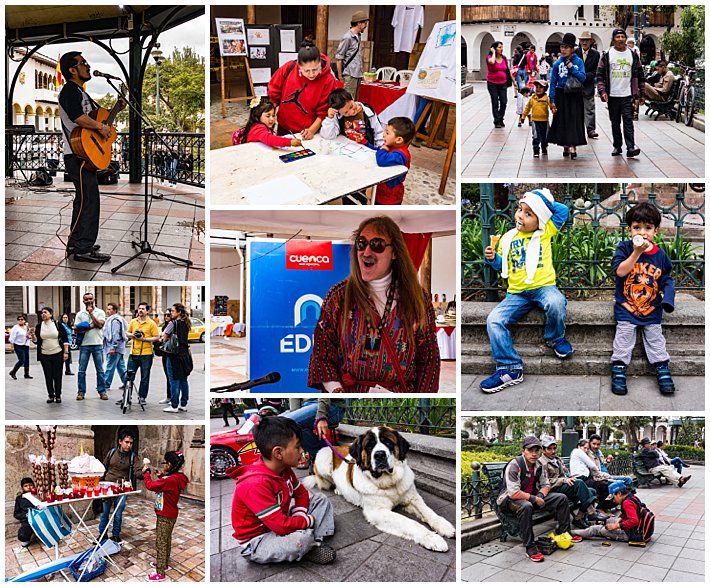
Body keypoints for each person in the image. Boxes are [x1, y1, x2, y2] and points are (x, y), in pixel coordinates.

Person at [308, 215, 440, 392]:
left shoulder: (418, 298)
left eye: (377, 245)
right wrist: (337, 391)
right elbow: (322, 351)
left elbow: (429, 358)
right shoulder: (339, 296)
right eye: (361, 243)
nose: (367, 252)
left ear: (394, 253)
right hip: (350, 395)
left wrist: (421, 402)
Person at [481, 189, 573, 393]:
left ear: (540, 219)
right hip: (517, 293)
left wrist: (538, 200)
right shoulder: (507, 238)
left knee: (556, 302)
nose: (520, 216)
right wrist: (492, 259)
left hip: (543, 287)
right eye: (520, 210)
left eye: (529, 213)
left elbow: (563, 210)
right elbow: (501, 267)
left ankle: (555, 337)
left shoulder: (545, 230)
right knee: (494, 320)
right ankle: (510, 367)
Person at [230, 416, 336, 564]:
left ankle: (313, 542)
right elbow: (279, 525)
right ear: (278, 453)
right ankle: (308, 542)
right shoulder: (254, 484)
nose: (301, 451)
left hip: (279, 520)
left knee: (321, 499)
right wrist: (306, 520)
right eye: (297, 447)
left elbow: (300, 493)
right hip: (259, 540)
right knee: (300, 540)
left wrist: (299, 514)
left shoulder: (284, 469)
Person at [58, 52, 125, 263]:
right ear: (72, 70)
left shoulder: (81, 92)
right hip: (77, 154)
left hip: (85, 154)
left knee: (84, 201)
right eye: (83, 63)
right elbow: (78, 117)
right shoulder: (70, 90)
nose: (87, 66)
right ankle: (83, 249)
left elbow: (101, 120)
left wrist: (117, 109)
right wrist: (99, 127)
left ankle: (77, 243)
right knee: (89, 202)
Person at [610, 203, 675, 395]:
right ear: (629, 229)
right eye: (637, 227)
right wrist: (637, 252)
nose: (643, 233)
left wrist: (668, 300)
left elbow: (667, 279)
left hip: (651, 309)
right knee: (623, 339)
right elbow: (621, 271)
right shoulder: (624, 248)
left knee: (656, 340)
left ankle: (662, 368)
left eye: (648, 228)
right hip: (627, 307)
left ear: (656, 230)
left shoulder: (660, 255)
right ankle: (619, 369)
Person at [496, 436, 582, 563]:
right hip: (509, 501)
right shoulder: (515, 465)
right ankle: (530, 546)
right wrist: (535, 499)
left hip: (532, 497)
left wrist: (540, 496)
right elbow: (514, 493)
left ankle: (564, 532)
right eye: (530, 450)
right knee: (526, 506)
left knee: (561, 498)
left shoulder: (538, 465)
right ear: (523, 450)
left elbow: (546, 485)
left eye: (536, 451)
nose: (534, 454)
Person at [268, 40, 342, 140]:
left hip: (308, 130)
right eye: (307, 71)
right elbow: (274, 91)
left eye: (315, 69)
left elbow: (324, 111)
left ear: (320, 63)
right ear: (299, 66)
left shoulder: (328, 80)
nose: (311, 74)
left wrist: (311, 130)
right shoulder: (289, 67)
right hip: (284, 126)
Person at [539, 436, 608, 528]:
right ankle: (592, 512)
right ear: (543, 450)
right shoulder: (541, 462)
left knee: (592, 491)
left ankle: (578, 518)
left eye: (554, 448)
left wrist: (569, 476)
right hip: (554, 489)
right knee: (579, 483)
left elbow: (566, 472)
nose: (553, 451)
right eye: (549, 449)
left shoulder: (557, 459)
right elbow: (545, 482)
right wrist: (564, 480)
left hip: (565, 485)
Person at [596, 28, 645, 157]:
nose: (620, 39)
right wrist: (602, 91)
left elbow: (640, 75)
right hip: (612, 95)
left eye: (622, 36)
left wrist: (642, 94)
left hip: (628, 94)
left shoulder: (633, 55)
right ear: (613, 39)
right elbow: (600, 75)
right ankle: (617, 146)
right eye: (617, 37)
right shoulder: (606, 55)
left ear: (625, 38)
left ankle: (630, 147)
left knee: (628, 120)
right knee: (615, 121)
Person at [143, 451, 189, 582]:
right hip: (171, 513)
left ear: (169, 464)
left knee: (161, 542)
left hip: (164, 515)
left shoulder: (170, 480)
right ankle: (164, 563)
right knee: (167, 539)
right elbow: (167, 483)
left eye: (165, 462)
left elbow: (150, 485)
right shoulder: (178, 477)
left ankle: (160, 573)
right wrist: (161, 475)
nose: (163, 465)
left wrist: (146, 473)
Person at [572, 480, 655, 543]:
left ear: (619, 493)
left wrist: (616, 526)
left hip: (632, 534)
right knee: (608, 519)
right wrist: (619, 519)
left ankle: (571, 532)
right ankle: (588, 525)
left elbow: (634, 521)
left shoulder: (627, 503)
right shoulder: (632, 497)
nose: (614, 501)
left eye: (613, 497)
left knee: (596, 529)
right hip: (637, 530)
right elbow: (629, 513)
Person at [547, 33, 587, 159]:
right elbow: (553, 82)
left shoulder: (578, 61)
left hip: (575, 94)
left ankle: (573, 146)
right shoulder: (557, 63)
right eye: (562, 47)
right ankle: (565, 145)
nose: (563, 50)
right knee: (562, 121)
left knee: (574, 121)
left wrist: (572, 68)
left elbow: (583, 77)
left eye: (566, 47)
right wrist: (551, 99)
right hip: (561, 94)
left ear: (572, 49)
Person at [99, 429, 143, 543]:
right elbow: (103, 468)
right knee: (104, 513)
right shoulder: (111, 453)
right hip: (107, 487)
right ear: (120, 441)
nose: (129, 445)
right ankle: (102, 535)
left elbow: (137, 471)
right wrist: (98, 483)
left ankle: (116, 535)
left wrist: (144, 473)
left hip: (122, 489)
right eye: (126, 442)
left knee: (118, 513)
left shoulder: (133, 457)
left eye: (131, 443)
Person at [283, 399, 346, 463]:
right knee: (276, 423)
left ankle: (326, 456)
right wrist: (297, 414)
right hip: (306, 405)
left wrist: (321, 415)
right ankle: (324, 456)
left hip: (330, 405)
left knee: (286, 423)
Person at [74, 291, 107, 401]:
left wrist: (91, 314)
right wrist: (92, 325)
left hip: (97, 343)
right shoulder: (80, 314)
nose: (88, 301)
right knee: (81, 370)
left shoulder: (100, 312)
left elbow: (101, 325)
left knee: (100, 370)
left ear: (94, 300)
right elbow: (77, 328)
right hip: (84, 345)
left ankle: (102, 391)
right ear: (83, 301)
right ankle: (81, 392)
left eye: (90, 299)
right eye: (86, 299)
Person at [374, 117, 415, 205]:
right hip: (382, 190)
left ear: (399, 140)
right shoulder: (392, 146)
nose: (384, 134)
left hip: (389, 197)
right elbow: (376, 151)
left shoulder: (400, 155)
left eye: (387, 133)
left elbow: (382, 160)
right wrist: (364, 142)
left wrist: (383, 149)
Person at [161, 303, 193, 413]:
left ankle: (174, 405)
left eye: (173, 311)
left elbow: (164, 337)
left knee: (174, 380)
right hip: (184, 354)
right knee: (184, 380)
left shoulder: (172, 323)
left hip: (174, 355)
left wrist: (164, 338)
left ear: (179, 312)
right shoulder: (186, 323)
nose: (171, 313)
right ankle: (183, 404)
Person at [127, 302, 160, 406]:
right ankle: (127, 396)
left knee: (144, 377)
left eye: (142, 309)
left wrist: (144, 339)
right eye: (139, 308)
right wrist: (132, 335)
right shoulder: (133, 321)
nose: (140, 310)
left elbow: (156, 337)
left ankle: (142, 397)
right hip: (133, 353)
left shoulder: (152, 324)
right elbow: (127, 332)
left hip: (146, 354)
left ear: (147, 311)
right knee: (129, 376)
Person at [34, 307, 70, 403]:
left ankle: (58, 395)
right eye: (42, 313)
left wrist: (66, 352)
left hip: (57, 353)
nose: (43, 314)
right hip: (44, 355)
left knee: (57, 375)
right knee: (48, 376)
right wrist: (32, 336)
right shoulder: (39, 326)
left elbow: (65, 339)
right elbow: (36, 341)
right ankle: (51, 395)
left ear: (51, 314)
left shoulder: (57, 325)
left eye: (45, 312)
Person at [570, 439, 612, 509]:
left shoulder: (578, 453)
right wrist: (597, 469)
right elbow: (592, 465)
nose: (586, 450)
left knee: (605, 484)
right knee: (605, 485)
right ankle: (601, 508)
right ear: (579, 446)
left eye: (587, 449)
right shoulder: (578, 451)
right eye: (584, 448)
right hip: (581, 479)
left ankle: (600, 508)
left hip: (586, 479)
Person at [336, 11, 369, 99]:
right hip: (350, 75)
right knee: (348, 101)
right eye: (365, 23)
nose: (366, 25)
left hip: (357, 74)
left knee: (355, 101)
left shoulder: (358, 36)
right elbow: (339, 58)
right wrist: (340, 77)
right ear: (359, 23)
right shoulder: (347, 37)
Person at [575, 31, 600, 139]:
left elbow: (596, 71)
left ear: (591, 41)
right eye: (582, 40)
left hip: (588, 84)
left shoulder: (595, 54)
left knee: (590, 108)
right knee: (576, 108)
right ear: (579, 41)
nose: (584, 42)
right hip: (575, 86)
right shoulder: (575, 53)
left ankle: (591, 129)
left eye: (586, 40)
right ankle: (577, 128)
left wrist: (584, 75)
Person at [486, 41, 516, 128]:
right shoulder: (489, 57)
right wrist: (493, 53)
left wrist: (514, 82)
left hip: (503, 83)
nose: (501, 49)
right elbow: (492, 62)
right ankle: (497, 121)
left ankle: (501, 118)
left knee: (504, 102)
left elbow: (508, 70)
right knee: (495, 102)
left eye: (502, 47)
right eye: (499, 47)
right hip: (492, 83)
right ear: (494, 48)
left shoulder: (504, 58)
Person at [520, 80, 551, 158]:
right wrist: (523, 116)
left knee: (545, 136)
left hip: (544, 121)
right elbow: (527, 108)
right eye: (536, 87)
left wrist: (554, 110)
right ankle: (536, 150)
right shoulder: (533, 98)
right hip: (535, 121)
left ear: (545, 89)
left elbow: (551, 106)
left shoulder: (546, 98)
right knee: (536, 136)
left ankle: (544, 148)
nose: (538, 89)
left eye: (541, 87)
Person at [103, 303, 128, 392]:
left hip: (114, 348)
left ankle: (105, 384)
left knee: (110, 366)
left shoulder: (114, 321)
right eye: (108, 309)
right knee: (120, 366)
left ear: (115, 310)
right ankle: (126, 383)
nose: (108, 311)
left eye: (110, 309)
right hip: (119, 347)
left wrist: (113, 347)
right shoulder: (114, 319)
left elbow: (115, 334)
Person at [14, 477, 38, 547]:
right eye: (26, 486)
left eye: (30, 485)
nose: (29, 487)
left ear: (33, 485)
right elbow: (16, 514)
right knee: (23, 534)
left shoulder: (38, 495)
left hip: (39, 517)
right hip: (27, 520)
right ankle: (26, 539)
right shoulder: (19, 499)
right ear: (22, 488)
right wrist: (26, 515)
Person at [9, 314, 33, 380]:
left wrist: (30, 335)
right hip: (18, 345)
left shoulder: (26, 327)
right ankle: (13, 372)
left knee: (27, 360)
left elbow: (28, 336)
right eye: (19, 319)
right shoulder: (15, 328)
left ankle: (26, 374)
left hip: (25, 345)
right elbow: (12, 338)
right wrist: (12, 346)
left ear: (24, 320)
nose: (20, 321)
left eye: (22, 319)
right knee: (22, 360)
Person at [157, 310, 173, 405]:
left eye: (168, 315)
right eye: (165, 315)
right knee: (167, 376)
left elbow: (165, 338)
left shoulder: (173, 326)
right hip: (165, 353)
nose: (166, 317)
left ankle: (173, 397)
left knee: (172, 376)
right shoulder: (165, 326)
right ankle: (168, 396)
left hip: (170, 352)